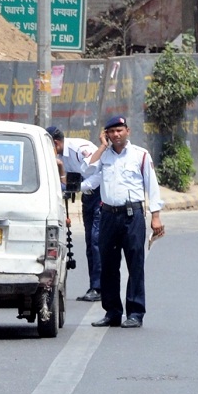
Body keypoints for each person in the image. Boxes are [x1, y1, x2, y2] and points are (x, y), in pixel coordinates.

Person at [83, 115, 164, 329]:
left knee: (135, 263)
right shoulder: (103, 156)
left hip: (132, 215)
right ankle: (112, 312)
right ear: (106, 134)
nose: (116, 134)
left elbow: (152, 186)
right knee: (108, 265)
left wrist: (156, 216)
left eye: (120, 130)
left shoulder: (140, 155)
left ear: (127, 131)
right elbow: (87, 170)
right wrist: (101, 147)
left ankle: (135, 312)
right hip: (108, 215)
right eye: (112, 131)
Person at [47, 125, 103, 302]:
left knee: (96, 240)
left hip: (100, 193)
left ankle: (99, 287)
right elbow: (69, 181)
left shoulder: (79, 150)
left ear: (55, 143)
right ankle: (95, 286)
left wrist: (78, 188)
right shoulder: (61, 157)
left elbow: (98, 174)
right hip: (88, 196)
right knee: (89, 243)